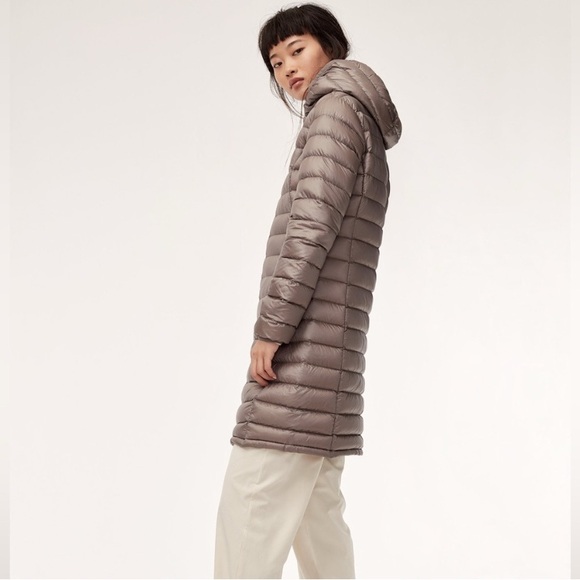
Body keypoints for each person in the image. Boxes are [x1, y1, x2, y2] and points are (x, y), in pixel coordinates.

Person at [214, 3, 402, 578]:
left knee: (250, 510)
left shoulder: (335, 111)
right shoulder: (354, 115)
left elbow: (309, 232)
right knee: (317, 520)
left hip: (302, 355)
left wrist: (270, 331)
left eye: (297, 50)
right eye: (276, 62)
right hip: (331, 358)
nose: (287, 69)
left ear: (331, 46)